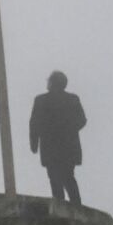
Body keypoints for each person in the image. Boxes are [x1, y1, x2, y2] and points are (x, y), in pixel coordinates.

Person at [29, 71, 87, 204]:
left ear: (52, 83)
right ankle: (76, 206)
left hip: (51, 147)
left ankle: (61, 205)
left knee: (55, 178)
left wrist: (34, 143)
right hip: (69, 147)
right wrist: (69, 130)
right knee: (68, 177)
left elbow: (34, 123)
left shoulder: (41, 100)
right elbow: (82, 120)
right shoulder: (73, 99)